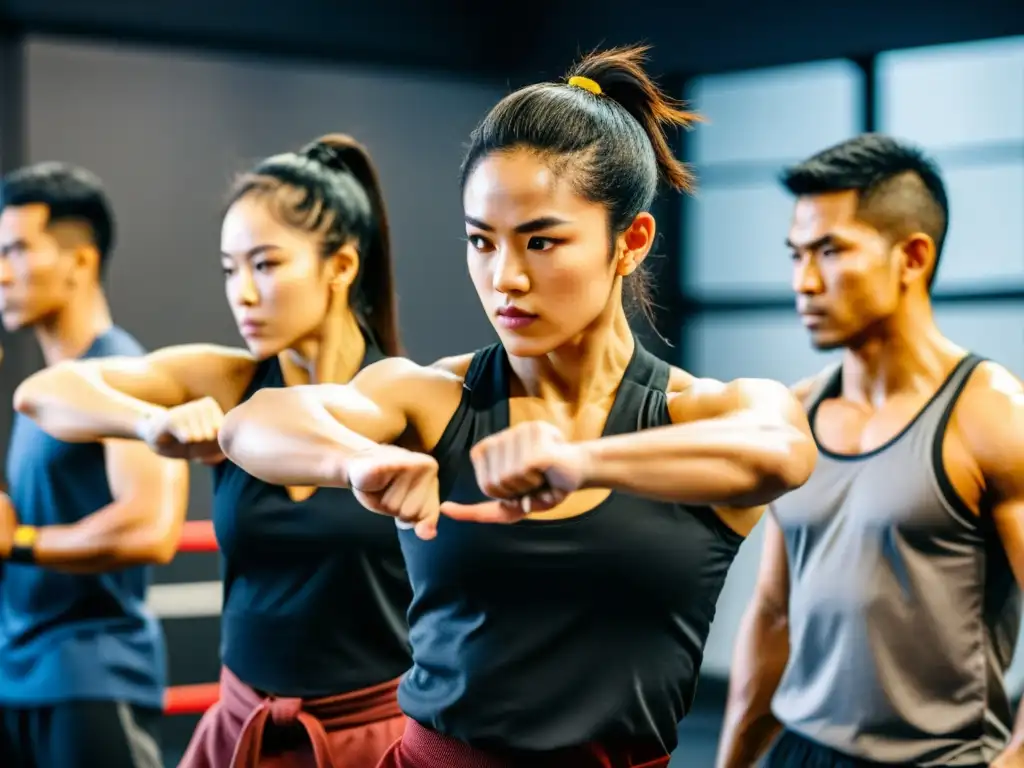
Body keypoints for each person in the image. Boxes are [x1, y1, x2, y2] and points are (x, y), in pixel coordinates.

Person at [215, 46, 817, 768]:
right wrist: (357, 459)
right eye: (481, 240)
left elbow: (782, 451)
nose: (505, 278)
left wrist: (580, 461)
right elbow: (250, 423)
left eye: (541, 241)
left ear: (630, 242)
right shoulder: (436, 398)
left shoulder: (695, 413)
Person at [12, 136, 412, 768]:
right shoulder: (229, 381)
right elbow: (42, 393)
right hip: (240, 730)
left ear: (340, 266)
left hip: (368, 742)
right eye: (230, 269)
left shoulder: (405, 397)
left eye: (266, 264)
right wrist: (152, 425)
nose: (242, 294)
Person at [715, 134, 1024, 768]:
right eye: (797, 254)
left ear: (912, 257)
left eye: (830, 251)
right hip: (799, 753)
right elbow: (773, 614)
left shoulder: (992, 414)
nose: (803, 281)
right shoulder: (797, 412)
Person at [0, 162, 189, 768]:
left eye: (18, 251)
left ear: (79, 262)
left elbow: (150, 528)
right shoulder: (47, 388)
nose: (1, 272)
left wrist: (22, 541)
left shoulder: (121, 372)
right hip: (22, 672)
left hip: (91, 677)